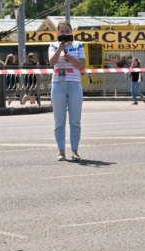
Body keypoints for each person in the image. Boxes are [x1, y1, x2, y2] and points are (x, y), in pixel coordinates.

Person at [49, 21, 85, 162]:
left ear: (71, 32)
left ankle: (75, 150)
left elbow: (82, 65)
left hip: (75, 84)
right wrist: (60, 49)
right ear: (58, 33)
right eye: (61, 31)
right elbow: (52, 62)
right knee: (59, 120)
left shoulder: (78, 45)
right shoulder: (52, 45)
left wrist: (71, 58)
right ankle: (61, 151)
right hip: (58, 84)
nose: (64, 33)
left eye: (66, 31)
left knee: (75, 120)